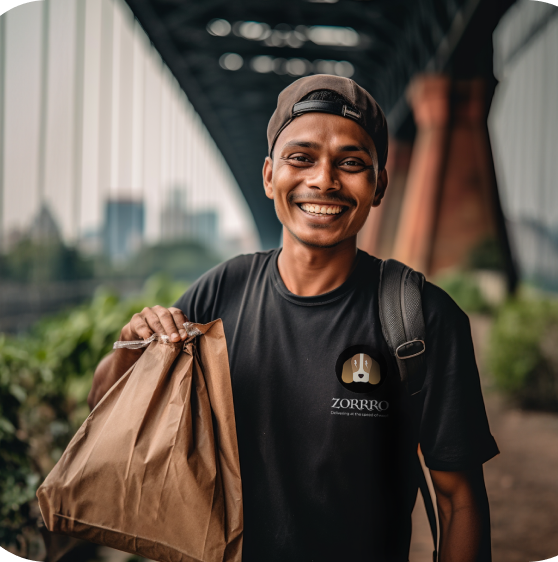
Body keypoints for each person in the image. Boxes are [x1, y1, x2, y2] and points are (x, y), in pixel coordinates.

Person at [88, 74, 499, 562]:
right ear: (268, 176)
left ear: (379, 184)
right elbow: (107, 419)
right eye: (300, 158)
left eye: (350, 163)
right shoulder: (221, 293)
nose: (323, 180)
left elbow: (459, 502)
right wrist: (129, 347)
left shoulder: (423, 318)